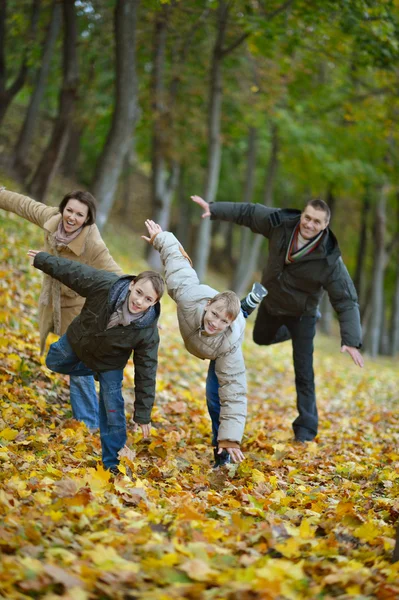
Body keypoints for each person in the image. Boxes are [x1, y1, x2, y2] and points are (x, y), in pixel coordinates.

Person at [191, 195, 364, 443]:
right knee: (260, 338)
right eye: (307, 217)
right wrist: (215, 209)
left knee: (304, 372)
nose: (309, 224)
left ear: (325, 225)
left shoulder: (329, 260)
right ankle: (299, 330)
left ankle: (305, 430)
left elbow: (346, 299)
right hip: (272, 304)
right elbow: (249, 213)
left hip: (302, 315)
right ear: (301, 215)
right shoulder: (280, 223)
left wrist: (351, 338)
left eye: (317, 221)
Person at [27, 249, 164, 472]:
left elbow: (146, 372)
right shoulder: (106, 285)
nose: (139, 301)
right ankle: (91, 371)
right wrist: (43, 260)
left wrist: (143, 414)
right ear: (132, 284)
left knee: (112, 408)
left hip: (110, 364)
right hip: (78, 341)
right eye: (139, 292)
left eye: (148, 299)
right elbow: (75, 273)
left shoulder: (147, 332)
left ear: (155, 303)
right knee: (53, 361)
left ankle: (114, 463)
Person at [0, 187, 123, 432]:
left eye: (79, 215)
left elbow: (118, 276)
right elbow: (24, 204)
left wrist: (142, 300)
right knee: (71, 362)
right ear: (62, 209)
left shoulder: (93, 244)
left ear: (87, 219)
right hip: (56, 300)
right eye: (69, 210)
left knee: (78, 365)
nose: (72, 218)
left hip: (80, 309)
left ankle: (88, 425)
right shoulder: (52, 219)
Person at [142, 219, 251, 467]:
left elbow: (234, 392)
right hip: (201, 334)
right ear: (208, 304)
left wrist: (231, 438)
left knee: (215, 398)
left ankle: (222, 456)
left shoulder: (229, 342)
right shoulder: (190, 297)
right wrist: (161, 239)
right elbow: (178, 265)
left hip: (217, 350)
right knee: (228, 312)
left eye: (223, 320)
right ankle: (243, 308)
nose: (215, 322)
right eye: (214, 314)